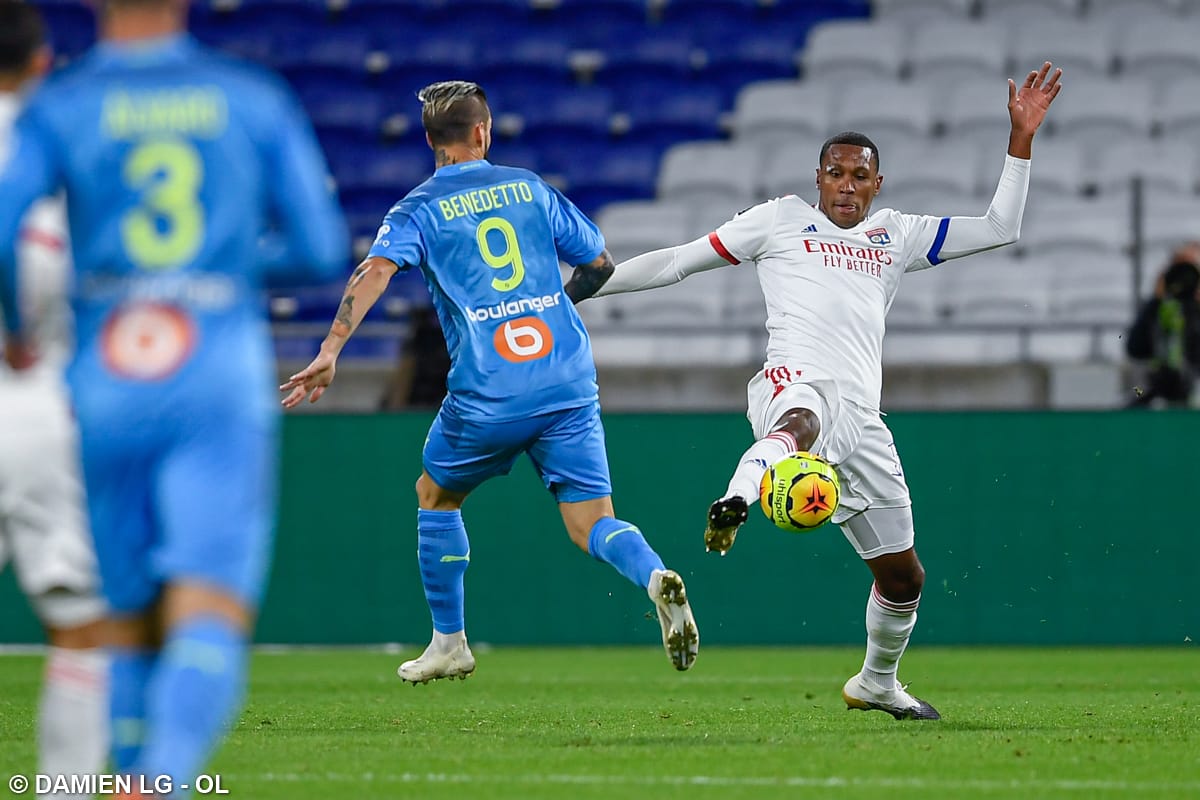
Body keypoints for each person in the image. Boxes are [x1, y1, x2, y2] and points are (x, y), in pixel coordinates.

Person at [590, 62, 1063, 719]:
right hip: (794, 381)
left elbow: (1000, 228)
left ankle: (876, 682)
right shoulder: (778, 221)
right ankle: (735, 498)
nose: (846, 185)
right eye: (835, 173)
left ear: (877, 183)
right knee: (798, 427)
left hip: (862, 421)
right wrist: (582, 288)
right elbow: (675, 261)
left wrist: (1021, 140)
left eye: (859, 175)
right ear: (818, 180)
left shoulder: (895, 235)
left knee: (904, 579)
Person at [0, 0, 348, 792]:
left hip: (104, 378)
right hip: (213, 377)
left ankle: (124, 770)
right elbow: (321, 245)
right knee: (208, 610)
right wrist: (224, 264)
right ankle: (158, 778)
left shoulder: (63, 105)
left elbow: (3, 222)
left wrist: (20, 328)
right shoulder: (249, 97)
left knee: (120, 616)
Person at [281, 80, 700, 679]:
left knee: (436, 494)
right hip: (567, 379)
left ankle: (449, 643)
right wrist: (558, 303)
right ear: (484, 131)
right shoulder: (529, 187)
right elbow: (599, 264)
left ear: (430, 140)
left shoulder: (417, 209)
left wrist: (331, 348)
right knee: (591, 522)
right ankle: (654, 574)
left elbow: (375, 270)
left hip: (491, 387)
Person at [0, 5, 108, 796]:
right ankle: (66, 789)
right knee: (77, 622)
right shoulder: (60, 147)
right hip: (37, 397)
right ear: (41, 63)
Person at [1126, 243, 1200, 408]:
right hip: (1152, 390)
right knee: (1136, 394)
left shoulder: (1194, 312)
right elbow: (1134, 348)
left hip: (1193, 393)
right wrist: (1157, 300)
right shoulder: (1157, 309)